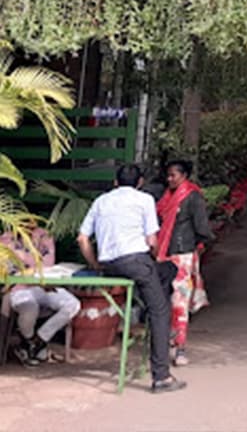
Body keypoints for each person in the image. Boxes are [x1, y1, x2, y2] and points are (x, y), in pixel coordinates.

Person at [77, 163, 185, 393]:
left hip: (109, 264)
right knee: (160, 310)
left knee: (166, 272)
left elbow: (82, 239)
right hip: (136, 262)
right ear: (140, 183)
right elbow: (152, 241)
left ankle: (152, 304)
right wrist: (151, 259)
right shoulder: (144, 200)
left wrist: (95, 263)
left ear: (116, 182)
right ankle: (161, 376)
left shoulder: (101, 201)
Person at [155, 160, 212, 368]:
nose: (170, 179)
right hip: (166, 255)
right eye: (168, 175)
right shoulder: (166, 197)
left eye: (173, 175)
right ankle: (170, 344)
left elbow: (201, 227)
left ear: (185, 175)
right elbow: (203, 230)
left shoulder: (192, 196)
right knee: (168, 303)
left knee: (178, 304)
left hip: (181, 256)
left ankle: (180, 347)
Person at [0, 226, 79, 366]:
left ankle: (37, 341)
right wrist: (34, 261)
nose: (28, 222)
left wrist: (23, 257)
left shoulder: (43, 235)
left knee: (72, 304)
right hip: (18, 287)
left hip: (43, 285)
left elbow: (48, 264)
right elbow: (8, 264)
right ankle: (30, 342)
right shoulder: (7, 238)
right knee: (30, 308)